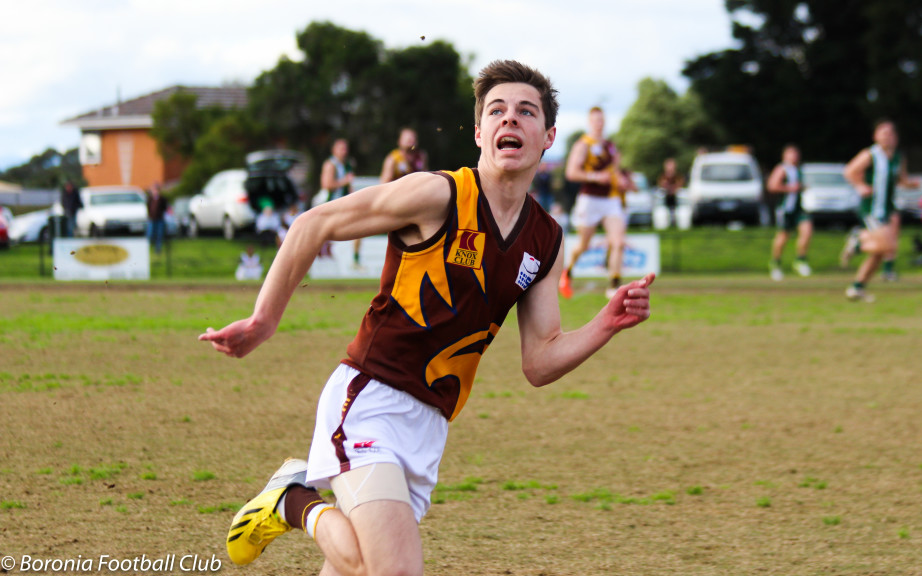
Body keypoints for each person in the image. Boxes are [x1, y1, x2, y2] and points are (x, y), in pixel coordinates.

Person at [199, 60, 655, 576]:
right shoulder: (438, 194)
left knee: (361, 569)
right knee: (392, 571)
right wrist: (264, 321)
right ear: (480, 131)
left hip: (431, 426)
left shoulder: (545, 239)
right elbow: (314, 222)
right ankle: (291, 500)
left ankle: (293, 501)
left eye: (526, 112)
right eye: (497, 110)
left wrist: (605, 324)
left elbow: (540, 361)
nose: (510, 120)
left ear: (548, 136)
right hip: (370, 399)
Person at [841, 119, 918, 302]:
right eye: (883, 133)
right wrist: (860, 186)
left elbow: (900, 179)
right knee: (888, 246)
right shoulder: (870, 154)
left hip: (887, 207)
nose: (887, 137)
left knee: (880, 253)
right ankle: (858, 240)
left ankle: (857, 288)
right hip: (872, 208)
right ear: (875, 136)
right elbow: (849, 171)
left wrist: (911, 184)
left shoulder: (898, 157)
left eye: (891, 133)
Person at [560, 106, 627, 299]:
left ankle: (614, 285)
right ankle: (567, 272)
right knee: (584, 245)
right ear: (590, 122)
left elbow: (615, 169)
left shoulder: (610, 146)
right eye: (596, 120)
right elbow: (571, 173)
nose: (599, 124)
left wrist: (620, 179)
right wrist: (597, 177)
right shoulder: (583, 145)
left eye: (602, 120)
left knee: (618, 242)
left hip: (611, 199)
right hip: (589, 199)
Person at [766, 145, 812, 281]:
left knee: (807, 231)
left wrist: (802, 188)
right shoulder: (782, 169)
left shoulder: (798, 169)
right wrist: (790, 188)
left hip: (799, 208)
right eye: (791, 154)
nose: (795, 157)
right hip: (785, 208)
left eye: (796, 154)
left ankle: (800, 260)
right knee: (783, 236)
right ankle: (775, 263)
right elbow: (772, 186)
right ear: (785, 156)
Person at [320, 138, 361, 266]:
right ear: (333, 150)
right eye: (341, 148)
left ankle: (355, 260)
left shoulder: (347, 164)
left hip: (345, 205)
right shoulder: (330, 164)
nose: (344, 151)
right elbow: (326, 184)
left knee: (358, 229)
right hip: (332, 205)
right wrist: (344, 181)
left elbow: (349, 186)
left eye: (345, 148)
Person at [657, 158, 685, 228]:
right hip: (666, 196)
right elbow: (662, 184)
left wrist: (673, 189)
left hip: (676, 197)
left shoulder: (677, 176)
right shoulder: (664, 176)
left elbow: (680, 184)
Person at [146, 182, 168, 253]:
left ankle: (158, 249)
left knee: (159, 234)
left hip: (159, 219)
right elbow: (148, 207)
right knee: (150, 234)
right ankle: (148, 248)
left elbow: (165, 208)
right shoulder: (150, 199)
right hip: (152, 219)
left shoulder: (162, 199)